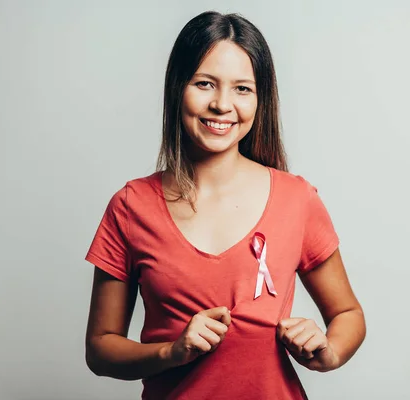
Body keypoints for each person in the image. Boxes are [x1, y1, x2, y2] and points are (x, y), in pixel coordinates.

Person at [84, 10, 366, 400]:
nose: (221, 104)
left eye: (242, 89)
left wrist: (327, 351)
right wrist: (171, 352)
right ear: (176, 88)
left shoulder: (297, 199)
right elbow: (100, 348)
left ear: (260, 99)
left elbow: (348, 315)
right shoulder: (130, 206)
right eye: (204, 84)